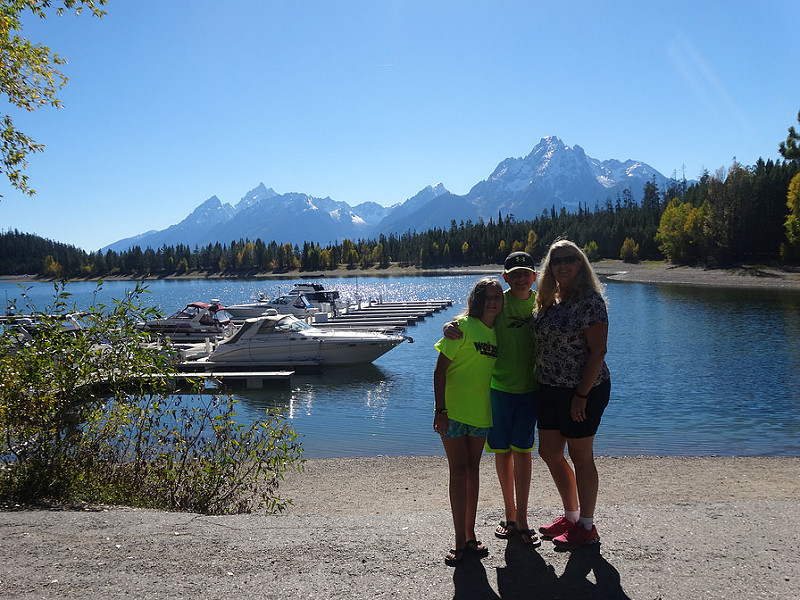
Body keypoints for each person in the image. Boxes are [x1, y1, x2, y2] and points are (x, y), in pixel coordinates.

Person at [442, 251, 541, 547]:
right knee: (502, 452)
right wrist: (450, 326)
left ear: (534, 276)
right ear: (506, 277)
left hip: (530, 390)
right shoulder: (500, 301)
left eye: (527, 273)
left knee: (523, 452)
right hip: (497, 390)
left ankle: (522, 518)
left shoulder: (542, 301)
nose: (522, 278)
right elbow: (473, 317)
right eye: (515, 274)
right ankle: (509, 516)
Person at [531, 239, 611, 550]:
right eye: (556, 260)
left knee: (581, 456)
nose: (563, 265)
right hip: (549, 387)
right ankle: (571, 515)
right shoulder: (549, 298)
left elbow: (599, 351)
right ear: (549, 266)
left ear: (580, 264)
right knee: (549, 452)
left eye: (570, 259)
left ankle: (587, 526)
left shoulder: (590, 301)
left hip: (583, 390)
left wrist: (582, 395)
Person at [433, 277, 504, 566]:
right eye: (487, 296)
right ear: (476, 300)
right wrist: (440, 410)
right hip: (453, 413)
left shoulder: (497, 332)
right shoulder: (460, 329)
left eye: (497, 296)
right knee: (458, 472)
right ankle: (459, 540)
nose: (492, 301)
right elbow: (439, 371)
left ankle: (470, 534)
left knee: (473, 472)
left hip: (480, 414)